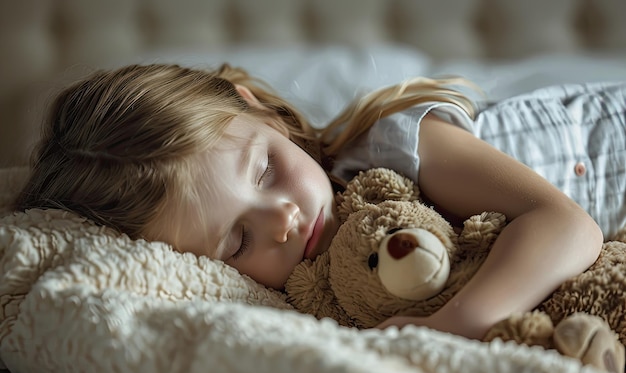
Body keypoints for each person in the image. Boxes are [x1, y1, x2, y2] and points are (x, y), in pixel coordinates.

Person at [16, 63, 623, 341]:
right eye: (236, 242)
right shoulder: (325, 293)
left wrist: (452, 326)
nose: (283, 220)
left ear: (258, 109)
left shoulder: (393, 145)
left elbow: (567, 227)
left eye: (266, 171)